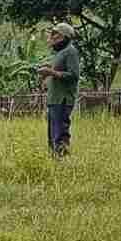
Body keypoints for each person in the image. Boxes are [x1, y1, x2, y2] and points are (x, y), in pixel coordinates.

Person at [37, 23, 81, 157]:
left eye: (56, 34)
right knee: (52, 134)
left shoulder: (71, 51)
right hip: (54, 98)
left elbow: (74, 75)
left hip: (63, 99)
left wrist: (51, 72)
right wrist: (48, 72)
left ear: (64, 36)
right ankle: (55, 159)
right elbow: (57, 72)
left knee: (60, 132)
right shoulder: (59, 53)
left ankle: (62, 158)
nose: (53, 37)